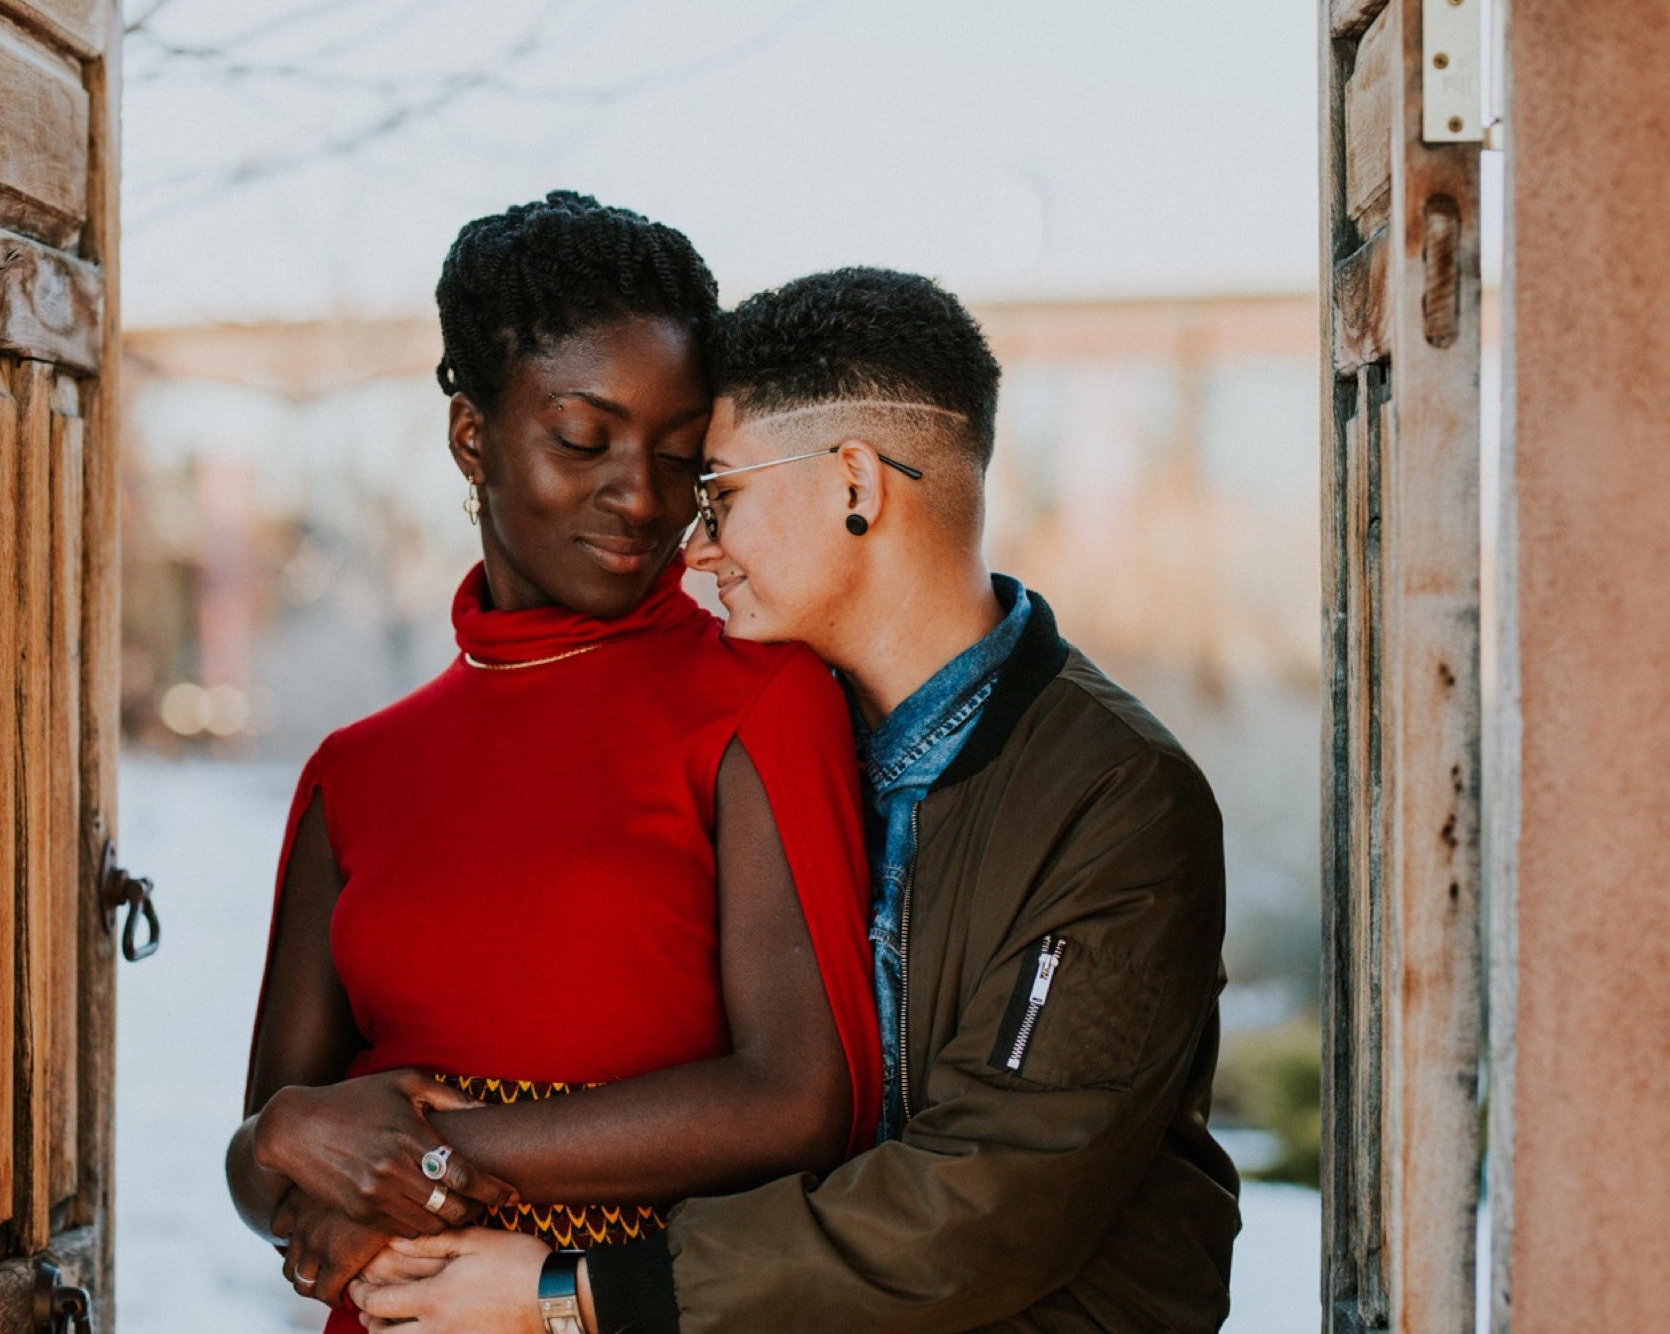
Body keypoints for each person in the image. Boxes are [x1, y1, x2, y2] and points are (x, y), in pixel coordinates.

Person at [347, 268, 1241, 1332]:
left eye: (716, 492)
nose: (692, 540)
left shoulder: (1115, 795)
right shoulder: (770, 745)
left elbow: (989, 1202)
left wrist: (570, 1294)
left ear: (855, 484)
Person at [223, 194, 883, 1333]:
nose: (640, 496)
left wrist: (423, 1161)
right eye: (584, 439)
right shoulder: (355, 771)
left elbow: (800, 1097)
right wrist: (275, 1139)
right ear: (471, 435)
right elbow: (275, 1167)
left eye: (678, 458)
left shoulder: (761, 700)